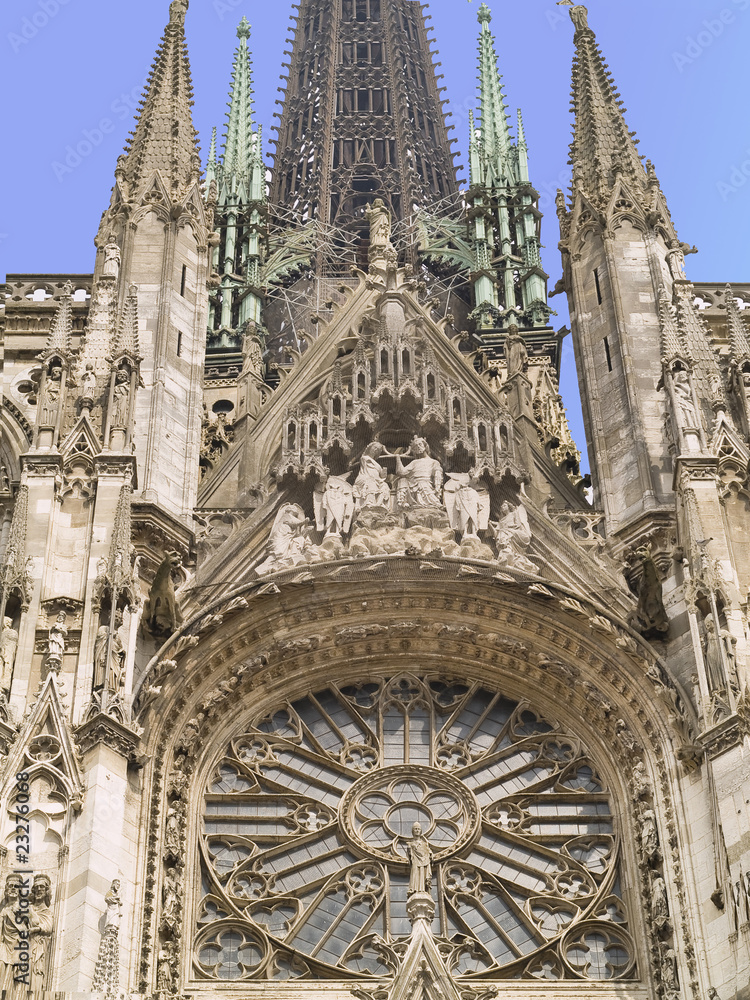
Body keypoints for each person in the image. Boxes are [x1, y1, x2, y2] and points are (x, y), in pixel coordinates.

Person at [392, 437, 444, 510]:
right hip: (413, 486)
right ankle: (401, 502)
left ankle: (435, 503)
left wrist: (437, 488)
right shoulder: (414, 462)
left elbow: (438, 476)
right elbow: (401, 472)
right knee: (402, 480)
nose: (418, 447)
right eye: (415, 447)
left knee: (423, 485)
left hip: (425, 484)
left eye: (420, 444)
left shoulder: (434, 462)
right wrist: (398, 459)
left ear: (425, 446)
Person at [29, 875, 54, 991]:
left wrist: (36, 929)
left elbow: (48, 927)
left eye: (42, 887)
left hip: (38, 945)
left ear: (46, 891)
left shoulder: (46, 911)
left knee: (35, 972)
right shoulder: (28, 907)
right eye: (36, 887)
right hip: (25, 944)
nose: (39, 890)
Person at [353, 442, 391, 510]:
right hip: (366, 479)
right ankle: (370, 502)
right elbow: (368, 470)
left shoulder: (376, 464)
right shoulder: (365, 458)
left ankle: (379, 504)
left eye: (378, 449)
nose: (375, 450)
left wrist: (383, 474)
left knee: (385, 485)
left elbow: (380, 475)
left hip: (377, 480)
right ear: (369, 448)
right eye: (374, 448)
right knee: (371, 483)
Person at [406, 823, 432, 894]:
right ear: (412, 831)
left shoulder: (425, 844)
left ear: (421, 831)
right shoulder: (410, 844)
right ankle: (415, 889)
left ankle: (423, 889)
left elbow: (429, 852)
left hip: (425, 861)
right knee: (415, 873)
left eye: (418, 829)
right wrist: (409, 851)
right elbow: (409, 858)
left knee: (423, 873)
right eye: (415, 829)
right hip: (416, 862)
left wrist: (430, 854)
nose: (417, 830)